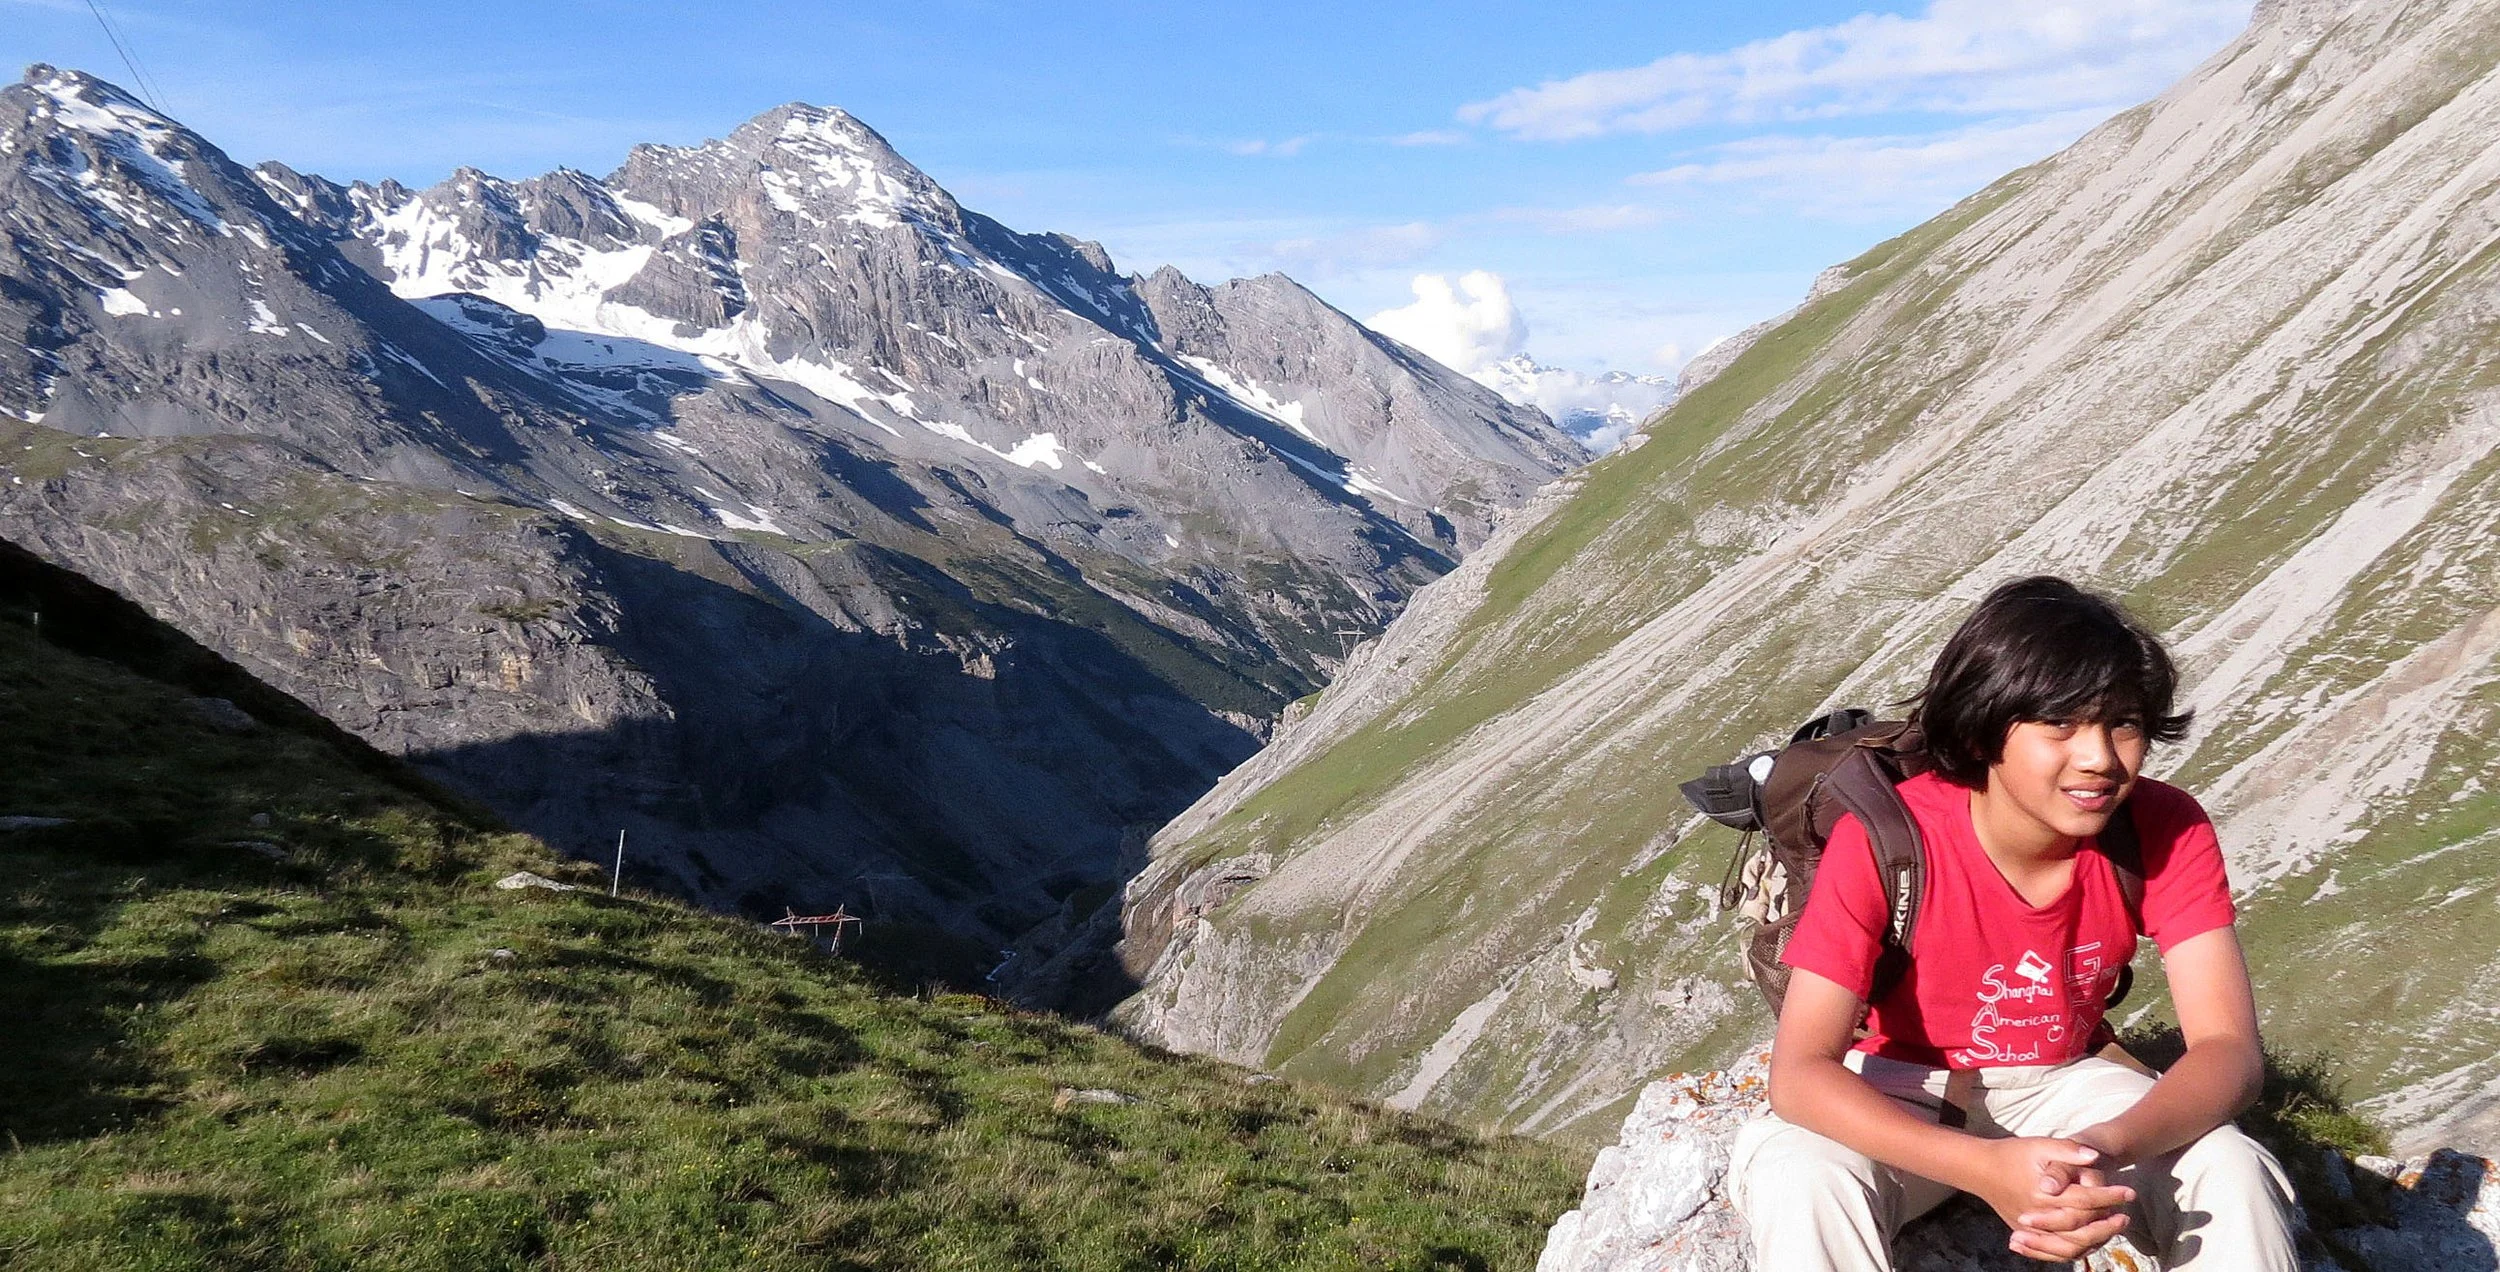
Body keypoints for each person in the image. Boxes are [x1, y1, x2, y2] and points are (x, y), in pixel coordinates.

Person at [1727, 576, 2298, 1272]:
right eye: (2060, 723)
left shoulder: (2164, 828)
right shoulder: (1885, 840)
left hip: (2066, 1082)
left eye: (2124, 722)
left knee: (2229, 1167)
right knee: (1802, 1177)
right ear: (1981, 730)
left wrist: (2106, 1147)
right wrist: (1986, 1167)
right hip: (1900, 1084)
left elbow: (2228, 1050)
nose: (2099, 756)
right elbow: (1801, 1073)